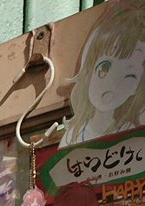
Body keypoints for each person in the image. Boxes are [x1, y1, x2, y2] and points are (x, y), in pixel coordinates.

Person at [60, 1, 145, 146]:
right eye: (104, 68)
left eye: (129, 77)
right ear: (89, 71)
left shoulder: (131, 134)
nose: (113, 83)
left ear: (136, 89)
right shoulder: (73, 135)